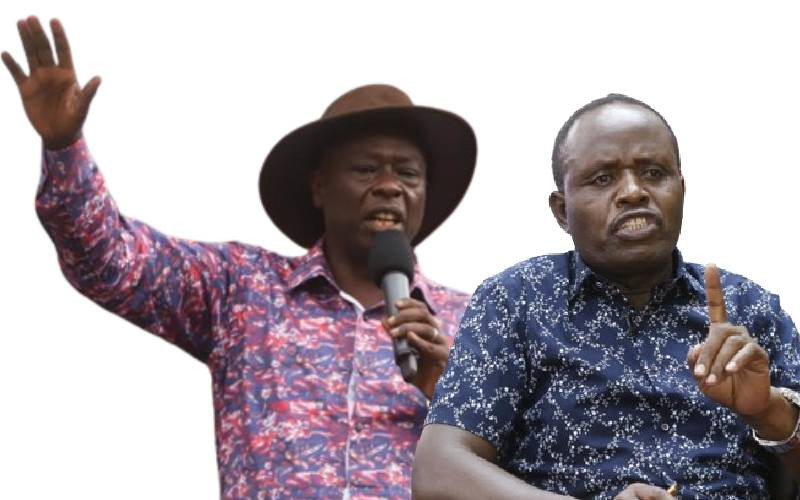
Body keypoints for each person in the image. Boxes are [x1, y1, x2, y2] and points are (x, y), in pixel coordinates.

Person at [2, 16, 477, 499]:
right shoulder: (243, 289)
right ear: (319, 186)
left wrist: (452, 400)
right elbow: (109, 259)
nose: (390, 186)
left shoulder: (475, 326)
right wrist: (63, 146)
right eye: (366, 168)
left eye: (408, 174)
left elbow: (519, 472)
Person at [413, 93, 800, 499]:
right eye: (602, 179)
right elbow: (439, 471)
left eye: (654, 173)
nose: (633, 192)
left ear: (681, 189)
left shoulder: (749, 309)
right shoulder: (515, 301)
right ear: (562, 211)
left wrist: (769, 412)